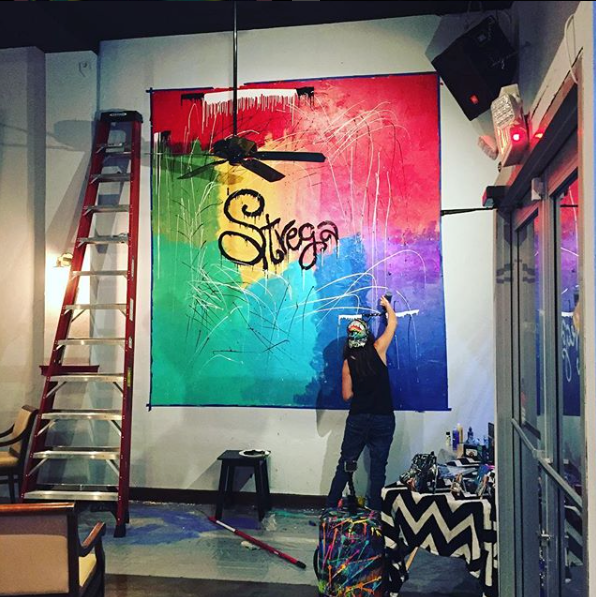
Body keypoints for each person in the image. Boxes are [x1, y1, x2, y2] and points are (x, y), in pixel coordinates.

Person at [326, 295, 398, 511]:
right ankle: (375, 512)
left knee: (346, 464)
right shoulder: (378, 349)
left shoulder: (348, 363)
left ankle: (330, 507)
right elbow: (393, 324)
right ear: (367, 335)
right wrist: (387, 306)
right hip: (383, 417)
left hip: (359, 417)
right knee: (378, 467)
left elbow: (346, 395)